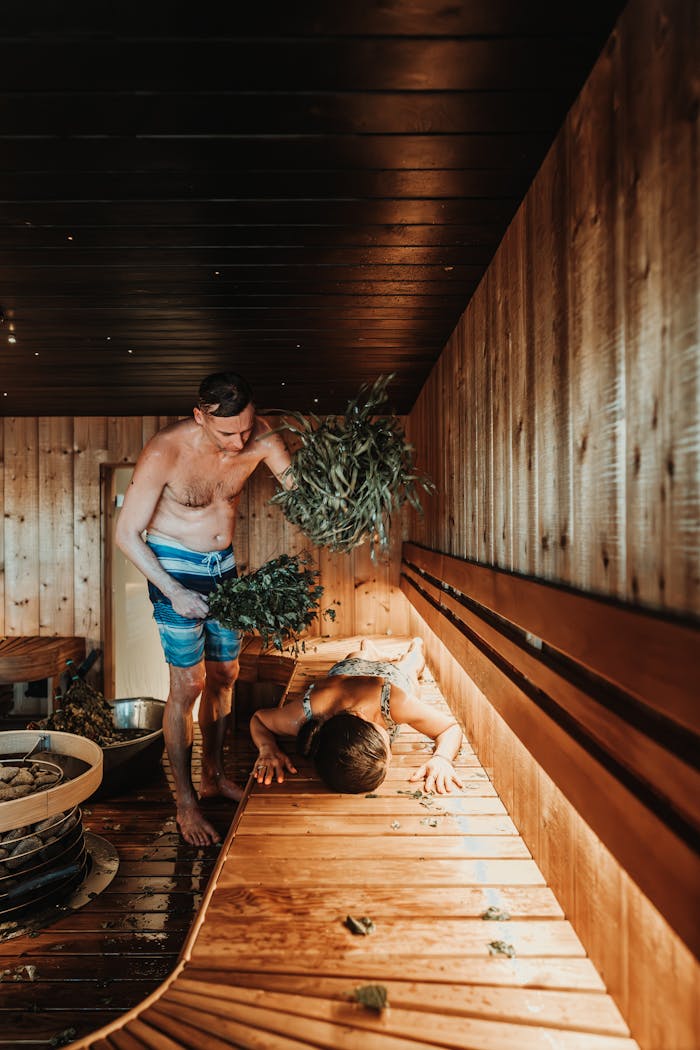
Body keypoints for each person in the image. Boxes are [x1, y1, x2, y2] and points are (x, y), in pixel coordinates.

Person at [115, 372, 292, 847]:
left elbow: (298, 490)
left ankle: (213, 777)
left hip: (224, 569)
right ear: (200, 416)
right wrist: (173, 590)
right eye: (226, 433)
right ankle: (185, 801)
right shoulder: (165, 449)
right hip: (172, 569)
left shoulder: (261, 435)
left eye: (245, 429)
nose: (239, 442)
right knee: (187, 683)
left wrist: (339, 503)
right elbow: (126, 534)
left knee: (226, 674)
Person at [250, 638, 464, 794]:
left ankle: (416, 645)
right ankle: (366, 650)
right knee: (354, 660)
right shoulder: (307, 719)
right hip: (345, 674)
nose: (390, 756)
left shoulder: (393, 702)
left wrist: (442, 758)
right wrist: (267, 749)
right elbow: (259, 720)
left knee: (410, 666)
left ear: (363, 719)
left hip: (390, 678)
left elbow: (449, 728)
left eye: (386, 752)